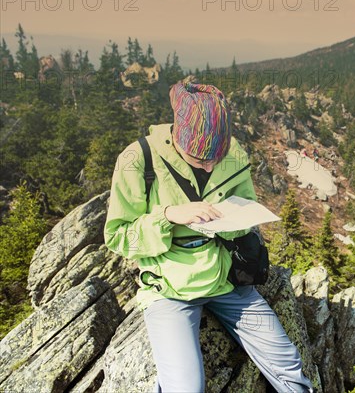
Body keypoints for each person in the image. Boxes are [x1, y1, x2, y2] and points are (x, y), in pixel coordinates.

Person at [104, 82, 314, 393]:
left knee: (288, 364)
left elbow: (245, 206)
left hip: (223, 276)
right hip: (167, 286)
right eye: (199, 159)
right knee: (185, 387)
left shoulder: (234, 153)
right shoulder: (138, 159)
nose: (210, 165)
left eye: (216, 157)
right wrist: (169, 216)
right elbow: (118, 237)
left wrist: (232, 221)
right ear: (177, 135)